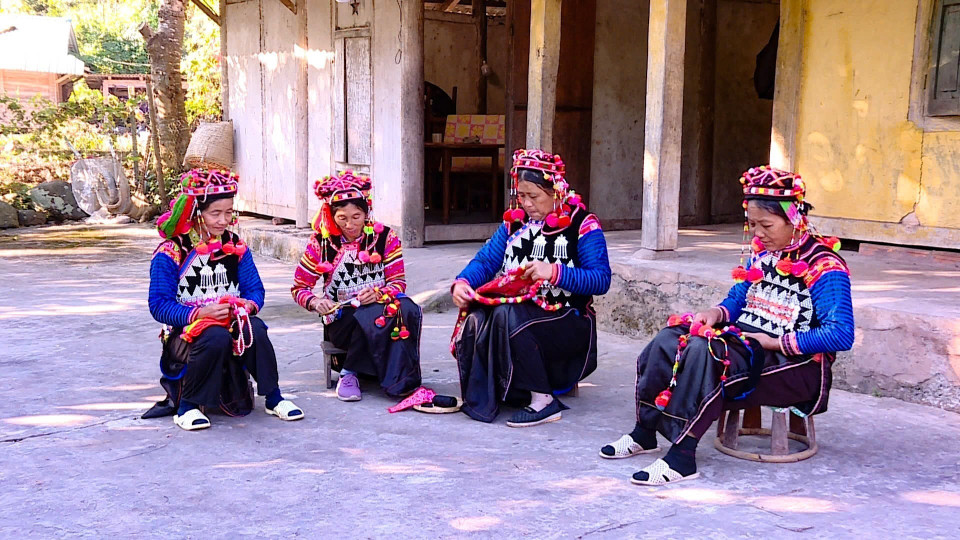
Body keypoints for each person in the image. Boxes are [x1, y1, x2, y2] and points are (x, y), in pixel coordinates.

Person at [600, 166, 854, 486]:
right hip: (748, 342)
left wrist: (775, 343)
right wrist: (715, 313)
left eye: (766, 224)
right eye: (752, 224)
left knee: (705, 353)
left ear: (794, 219)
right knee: (669, 338)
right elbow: (738, 299)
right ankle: (645, 431)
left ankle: (682, 456)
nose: (758, 233)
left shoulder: (824, 265)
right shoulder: (763, 254)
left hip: (795, 363)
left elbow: (841, 333)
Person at [451, 149, 611, 427]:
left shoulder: (582, 224)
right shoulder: (514, 223)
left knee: (509, 315)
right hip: (523, 312)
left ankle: (543, 400)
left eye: (534, 196)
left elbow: (601, 279)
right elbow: (487, 261)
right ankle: (492, 393)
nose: (526, 203)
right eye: (521, 196)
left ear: (556, 191)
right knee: (479, 315)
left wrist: (555, 272)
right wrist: (463, 283)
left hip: (567, 320)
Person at [146, 168, 303, 431]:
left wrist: (245, 306)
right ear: (196, 212)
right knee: (214, 336)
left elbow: (255, 291)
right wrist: (199, 314)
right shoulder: (172, 251)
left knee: (256, 328)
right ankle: (188, 406)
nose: (223, 220)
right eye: (215, 213)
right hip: (184, 335)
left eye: (228, 212)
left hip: (231, 322)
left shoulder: (235, 245)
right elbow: (159, 304)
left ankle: (273, 397)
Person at [292, 171, 422, 401]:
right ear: (332, 215)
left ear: (367, 213)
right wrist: (316, 302)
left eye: (356, 216)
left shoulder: (385, 237)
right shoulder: (321, 242)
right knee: (363, 317)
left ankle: (399, 374)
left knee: (408, 308)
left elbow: (398, 282)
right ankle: (348, 373)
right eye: (342, 218)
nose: (350, 224)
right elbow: (299, 288)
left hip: (381, 310)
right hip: (343, 319)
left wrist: (379, 293)